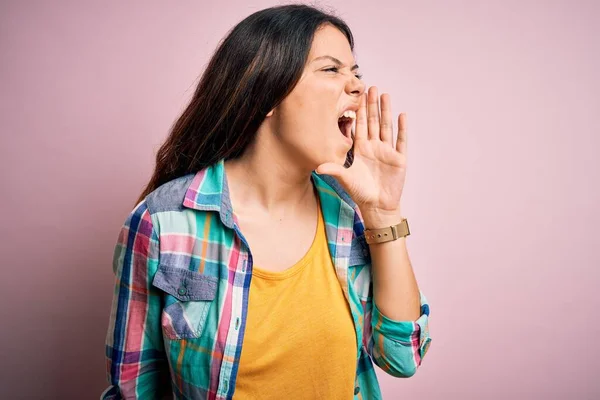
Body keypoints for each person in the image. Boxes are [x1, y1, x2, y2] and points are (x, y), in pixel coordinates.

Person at [101, 4, 432, 400]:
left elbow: (402, 356)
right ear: (267, 90)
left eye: (356, 72)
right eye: (332, 69)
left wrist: (383, 211)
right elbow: (133, 391)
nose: (358, 86)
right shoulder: (164, 223)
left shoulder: (348, 215)